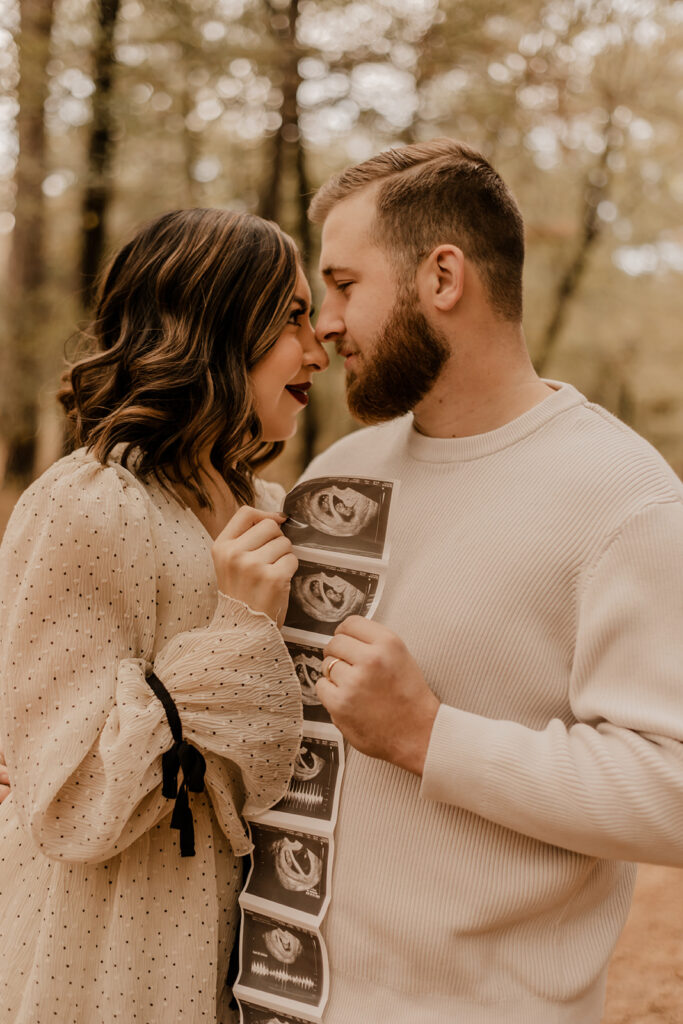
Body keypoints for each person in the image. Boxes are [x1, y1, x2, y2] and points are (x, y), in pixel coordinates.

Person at [300, 138, 683, 1023]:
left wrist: (429, 736)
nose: (323, 322)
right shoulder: (336, 478)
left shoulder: (626, 503)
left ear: (442, 277)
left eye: (345, 285)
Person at [0, 207, 328, 1023]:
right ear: (215, 323)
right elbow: (71, 796)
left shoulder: (275, 511)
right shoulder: (88, 506)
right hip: (110, 940)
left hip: (258, 935)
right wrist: (233, 637)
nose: (319, 351)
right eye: (292, 317)